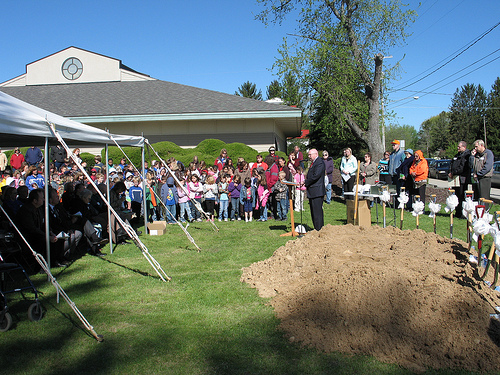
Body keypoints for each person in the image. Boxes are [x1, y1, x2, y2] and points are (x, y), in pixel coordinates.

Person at [448, 141, 471, 216]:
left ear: (464, 147)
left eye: (459, 147)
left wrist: (454, 173)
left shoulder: (466, 155)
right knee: (455, 196)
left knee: (461, 196)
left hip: (462, 179)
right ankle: (457, 211)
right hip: (455, 179)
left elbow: (462, 167)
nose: (458, 148)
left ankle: (461, 213)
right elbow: (452, 164)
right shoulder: (457, 155)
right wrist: (450, 172)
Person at [305, 149, 326, 231]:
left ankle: (319, 229)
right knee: (313, 212)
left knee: (317, 213)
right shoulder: (314, 163)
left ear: (316, 154)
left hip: (317, 191)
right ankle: (316, 228)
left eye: (310, 155)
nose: (309, 156)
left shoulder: (319, 162)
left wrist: (306, 182)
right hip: (313, 191)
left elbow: (316, 176)